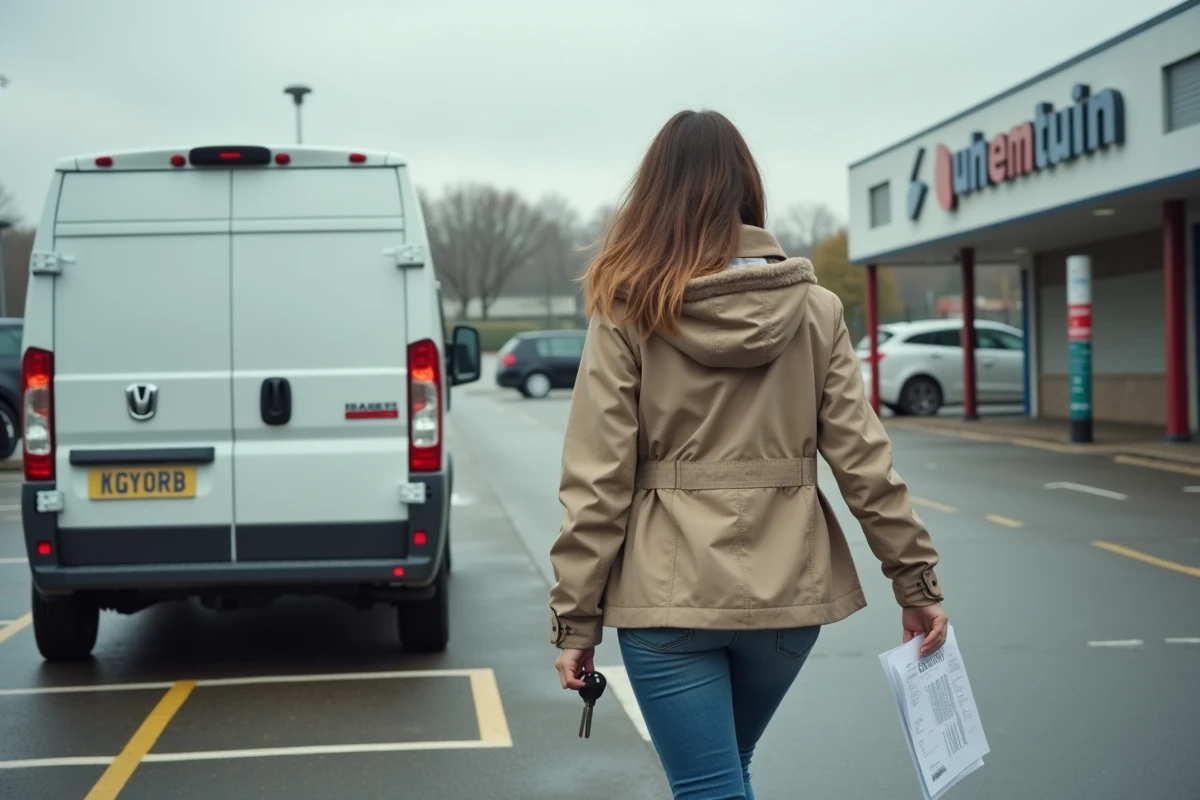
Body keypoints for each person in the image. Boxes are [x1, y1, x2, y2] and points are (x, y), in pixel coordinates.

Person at [547, 109, 947, 800]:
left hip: (667, 601)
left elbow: (597, 481)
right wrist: (916, 584)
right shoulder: (816, 310)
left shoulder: (628, 309)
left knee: (710, 785)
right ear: (746, 189)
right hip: (788, 597)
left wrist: (574, 621)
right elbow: (864, 463)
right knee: (728, 771)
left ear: (655, 195)